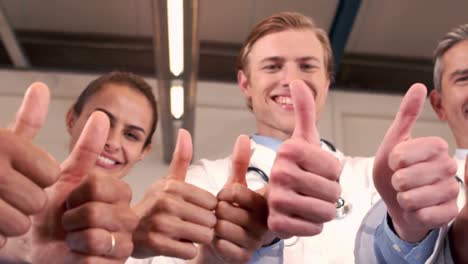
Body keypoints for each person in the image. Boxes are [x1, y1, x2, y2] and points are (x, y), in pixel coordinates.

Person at [127, 12, 459, 263]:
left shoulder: (376, 179)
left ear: (327, 81)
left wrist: (407, 229)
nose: (291, 81)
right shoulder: (202, 181)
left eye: (307, 66)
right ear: (245, 84)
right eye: (272, 66)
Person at [0, 71, 158, 263]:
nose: (113, 142)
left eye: (131, 135)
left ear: (144, 151)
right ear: (71, 119)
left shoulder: (142, 254)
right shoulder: (12, 205)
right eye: (103, 122)